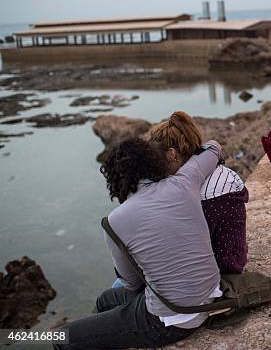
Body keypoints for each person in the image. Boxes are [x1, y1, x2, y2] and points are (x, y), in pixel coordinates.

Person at [54, 135, 224, 349]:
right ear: (154, 162)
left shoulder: (115, 221)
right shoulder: (183, 182)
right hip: (211, 296)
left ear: (115, 179)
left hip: (169, 321)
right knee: (105, 300)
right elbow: (212, 148)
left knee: (62, 337)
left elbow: (132, 283)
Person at [148, 111, 248, 274]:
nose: (155, 166)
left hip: (221, 270)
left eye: (156, 158)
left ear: (171, 154)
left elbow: (186, 248)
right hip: (230, 258)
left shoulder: (206, 196)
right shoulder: (214, 172)